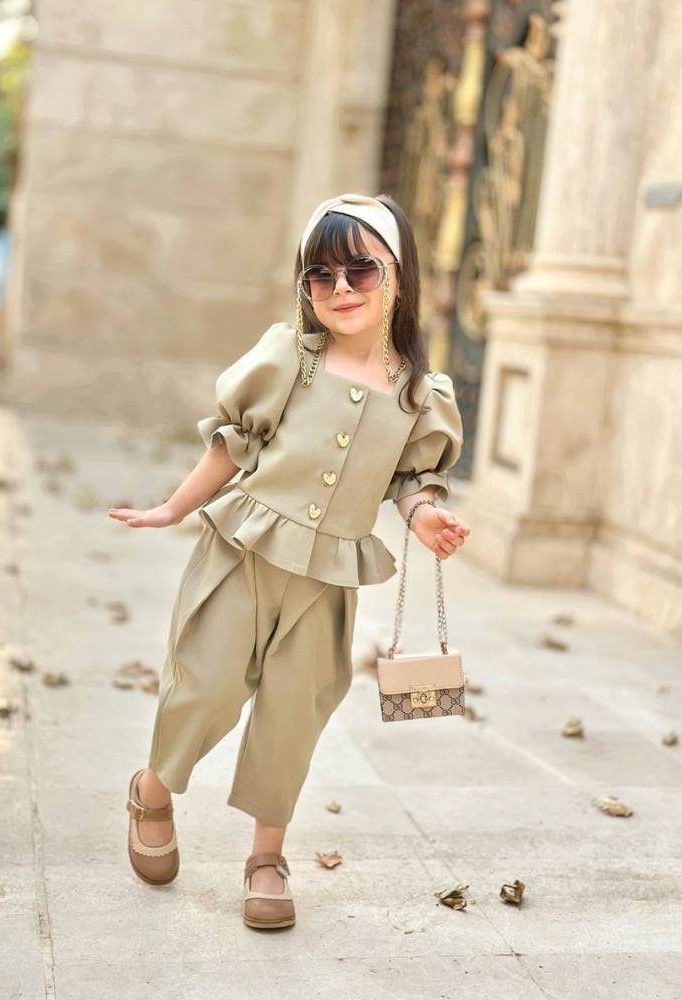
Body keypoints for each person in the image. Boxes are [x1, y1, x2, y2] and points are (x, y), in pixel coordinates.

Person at [108, 193, 470, 930]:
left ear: (399, 277)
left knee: (293, 715)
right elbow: (232, 444)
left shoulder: (418, 393)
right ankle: (152, 790)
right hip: (242, 554)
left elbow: (411, 478)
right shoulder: (289, 360)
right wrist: (174, 508)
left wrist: (425, 515)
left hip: (326, 581)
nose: (341, 289)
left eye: (361, 271)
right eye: (321, 275)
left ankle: (266, 859)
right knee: (205, 686)